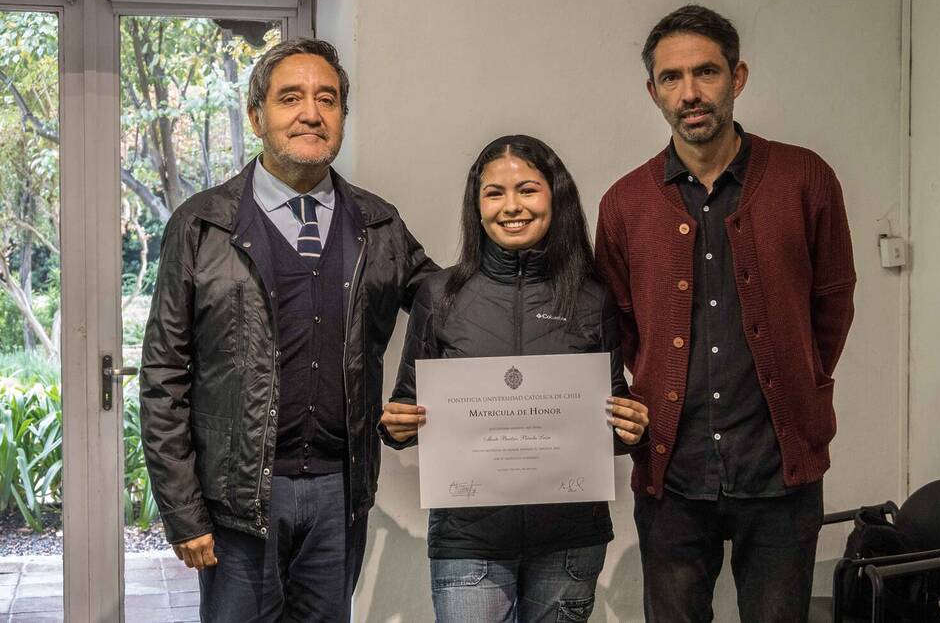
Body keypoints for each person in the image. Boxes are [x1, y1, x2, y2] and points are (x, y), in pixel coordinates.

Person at [139, 38, 437, 621]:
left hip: (340, 497)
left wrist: (412, 396)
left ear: (342, 116)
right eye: (290, 98)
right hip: (238, 503)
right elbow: (163, 377)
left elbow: (445, 305)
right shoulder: (201, 226)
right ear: (256, 116)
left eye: (327, 99)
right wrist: (183, 511)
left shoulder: (378, 224)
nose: (311, 113)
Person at [595, 5, 856, 622]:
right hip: (673, 474)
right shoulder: (625, 203)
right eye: (671, 77)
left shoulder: (804, 178)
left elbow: (832, 305)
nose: (690, 92)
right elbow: (619, 325)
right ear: (653, 91)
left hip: (779, 469)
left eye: (705, 72)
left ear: (737, 77)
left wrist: (800, 380)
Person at [379, 135, 649, 623]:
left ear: (555, 197)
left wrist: (631, 429)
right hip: (468, 541)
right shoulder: (438, 296)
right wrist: (396, 426)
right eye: (494, 193)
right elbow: (407, 406)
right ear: (476, 206)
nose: (511, 207)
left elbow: (607, 419)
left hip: (569, 540)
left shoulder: (592, 299)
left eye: (527, 189)